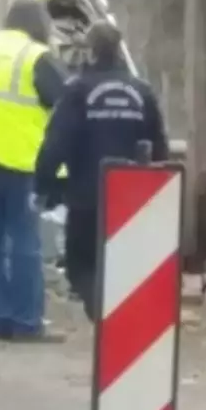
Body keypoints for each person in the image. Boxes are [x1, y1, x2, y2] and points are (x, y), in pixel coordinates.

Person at [34, 20, 169, 320]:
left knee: (80, 264)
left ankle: (101, 309)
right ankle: (118, 312)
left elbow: (57, 142)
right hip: (131, 198)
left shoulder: (77, 91)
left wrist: (43, 183)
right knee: (123, 262)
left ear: (91, 51)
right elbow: (159, 146)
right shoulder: (142, 92)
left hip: (87, 196)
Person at [0, 0, 67, 342]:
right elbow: (66, 102)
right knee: (24, 243)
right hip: (21, 163)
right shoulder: (36, 57)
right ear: (39, 24)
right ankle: (26, 322)